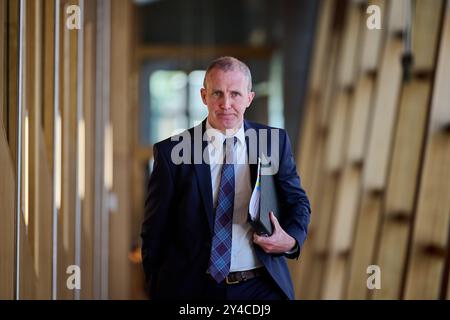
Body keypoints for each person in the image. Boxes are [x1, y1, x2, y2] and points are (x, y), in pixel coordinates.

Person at [141, 56, 311, 300]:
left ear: (249, 98)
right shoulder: (172, 153)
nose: (226, 103)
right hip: (193, 288)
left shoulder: (274, 142)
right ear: (203, 96)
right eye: (217, 93)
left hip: (260, 286)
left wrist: (291, 240)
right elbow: (154, 231)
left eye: (235, 94)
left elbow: (298, 202)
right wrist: (155, 289)